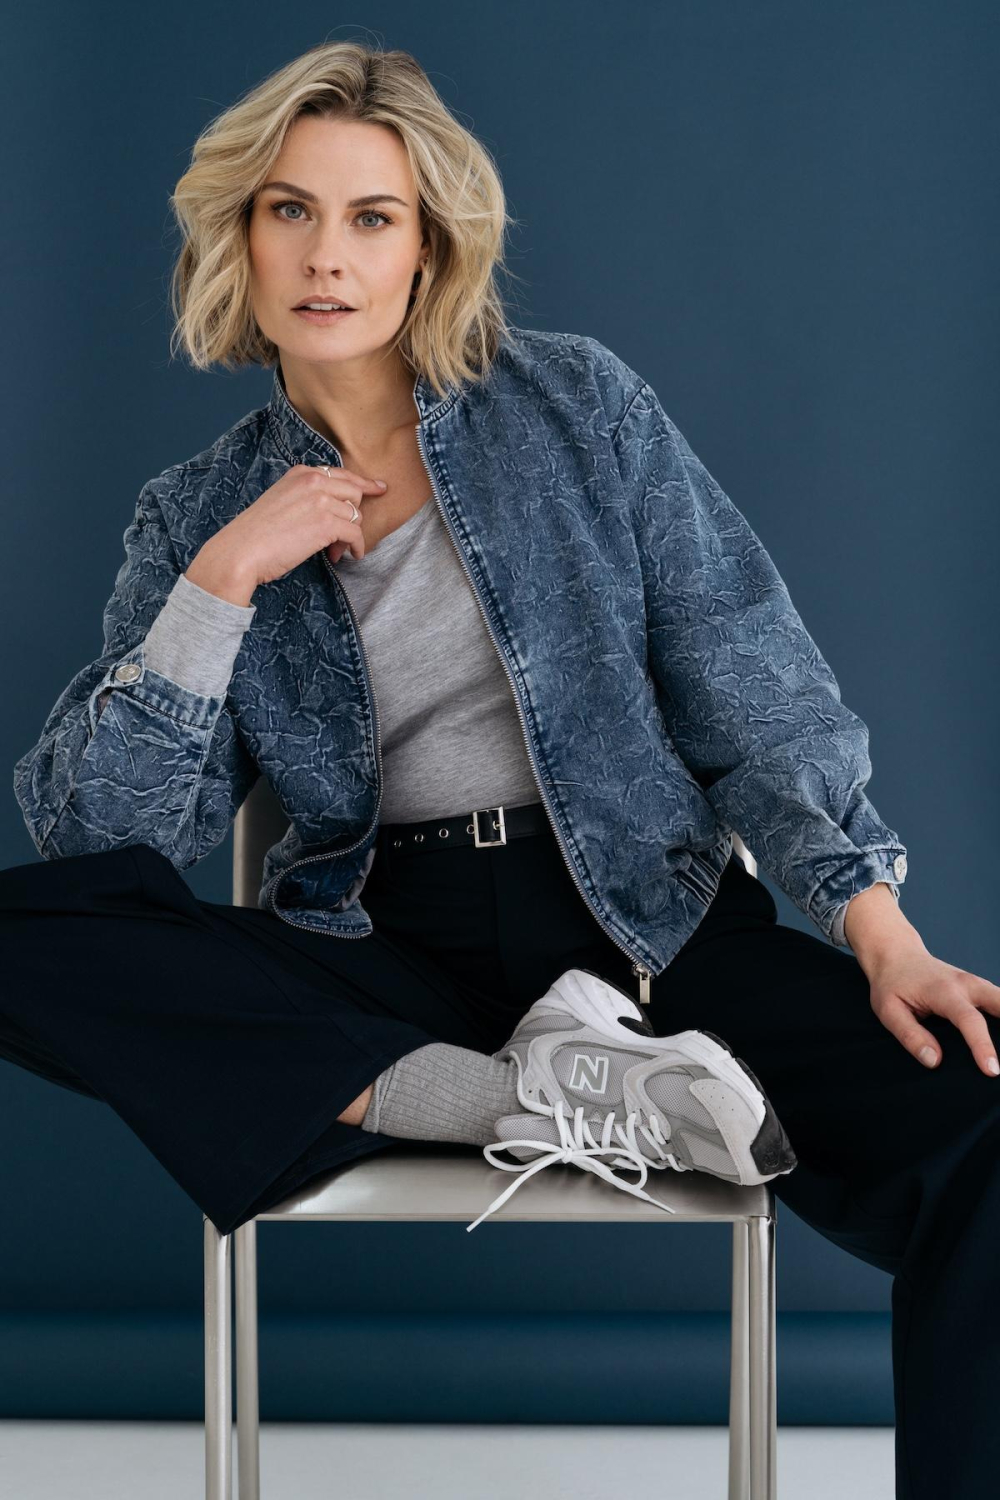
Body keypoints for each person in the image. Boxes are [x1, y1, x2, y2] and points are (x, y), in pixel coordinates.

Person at [3, 40, 998, 1499]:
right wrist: (219, 586)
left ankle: (604, 1078)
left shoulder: (577, 408)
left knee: (984, 1129)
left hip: (649, 941)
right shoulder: (196, 513)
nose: (326, 256)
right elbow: (106, 843)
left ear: (428, 249)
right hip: (385, 949)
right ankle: (510, 1100)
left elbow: (755, 687)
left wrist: (880, 929)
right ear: (239, 237)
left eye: (371, 217)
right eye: (289, 211)